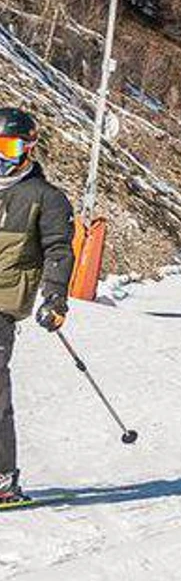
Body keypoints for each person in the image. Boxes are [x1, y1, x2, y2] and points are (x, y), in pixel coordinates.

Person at [0, 107, 76, 507]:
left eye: (8, 147)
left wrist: (54, 297)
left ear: (28, 148)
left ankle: (2, 478)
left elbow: (59, 250)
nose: (0, 155)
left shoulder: (45, 198)